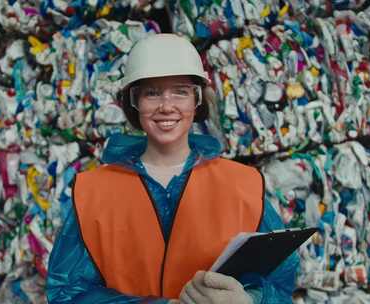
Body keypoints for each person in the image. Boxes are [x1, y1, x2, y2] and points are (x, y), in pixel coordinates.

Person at [46, 33, 299, 304]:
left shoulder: (244, 184)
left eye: (180, 91)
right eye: (152, 93)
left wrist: (252, 300)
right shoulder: (92, 192)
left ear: (197, 99)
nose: (167, 107)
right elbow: (66, 294)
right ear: (134, 102)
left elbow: (281, 284)